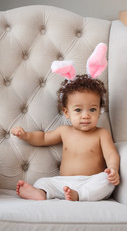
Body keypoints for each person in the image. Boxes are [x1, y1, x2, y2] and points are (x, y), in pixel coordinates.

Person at [11, 74, 120, 202]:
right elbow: (43, 138)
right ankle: (41, 193)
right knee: (43, 181)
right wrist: (25, 135)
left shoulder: (102, 134)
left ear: (99, 111)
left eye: (92, 109)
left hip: (90, 181)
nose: (86, 116)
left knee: (106, 181)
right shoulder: (64, 131)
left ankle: (80, 195)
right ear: (67, 113)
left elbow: (111, 154)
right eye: (78, 110)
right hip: (64, 183)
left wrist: (113, 169)